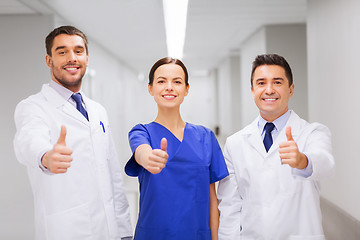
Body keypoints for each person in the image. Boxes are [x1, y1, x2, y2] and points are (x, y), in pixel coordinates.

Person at [13, 25, 132, 240]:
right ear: (49, 60)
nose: (72, 58)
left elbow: (112, 173)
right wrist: (45, 156)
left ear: (87, 57)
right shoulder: (33, 106)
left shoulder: (98, 110)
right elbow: (28, 140)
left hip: (108, 230)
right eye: (62, 51)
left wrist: (123, 231)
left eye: (78, 51)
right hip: (66, 231)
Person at [217, 54, 335, 240]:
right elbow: (230, 206)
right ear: (252, 89)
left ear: (291, 89)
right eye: (261, 83)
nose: (269, 90)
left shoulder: (312, 133)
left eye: (277, 82)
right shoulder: (235, 143)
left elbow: (325, 164)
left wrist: (302, 161)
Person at [125, 57, 229, 240]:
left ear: (187, 89)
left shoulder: (205, 137)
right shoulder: (142, 132)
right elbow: (141, 151)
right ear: (150, 88)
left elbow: (213, 200)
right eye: (161, 81)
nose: (169, 87)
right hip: (153, 234)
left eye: (177, 82)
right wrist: (148, 158)